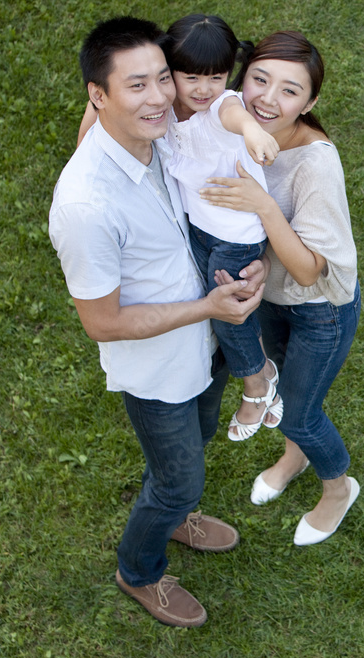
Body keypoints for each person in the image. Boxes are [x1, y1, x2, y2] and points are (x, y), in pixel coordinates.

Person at [48, 16, 267, 628]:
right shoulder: (86, 208)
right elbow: (103, 323)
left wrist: (251, 272)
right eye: (137, 86)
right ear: (99, 94)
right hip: (157, 368)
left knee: (192, 450)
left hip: (203, 344)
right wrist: (208, 308)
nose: (163, 98)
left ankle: (176, 513)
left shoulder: (161, 134)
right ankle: (139, 570)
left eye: (163, 79)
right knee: (176, 480)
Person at [78, 14, 284, 442]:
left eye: (216, 77)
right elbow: (89, 145)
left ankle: (256, 378)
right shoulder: (155, 119)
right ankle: (258, 372)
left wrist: (252, 131)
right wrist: (102, 95)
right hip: (199, 248)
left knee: (229, 309)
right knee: (226, 303)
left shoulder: (219, 108)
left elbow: (233, 113)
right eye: (188, 77)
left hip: (230, 243)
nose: (202, 89)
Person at [200, 31, 362, 546]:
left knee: (301, 410)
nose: (269, 99)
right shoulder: (233, 125)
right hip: (273, 297)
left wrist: (263, 206)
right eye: (260, 80)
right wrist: (259, 267)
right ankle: (293, 458)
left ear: (310, 102)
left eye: (290, 91)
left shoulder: (316, 164)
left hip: (320, 310)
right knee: (287, 392)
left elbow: (312, 270)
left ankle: (338, 489)